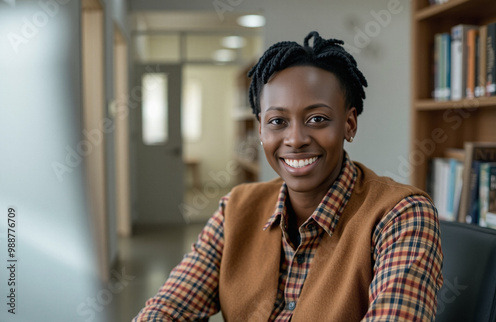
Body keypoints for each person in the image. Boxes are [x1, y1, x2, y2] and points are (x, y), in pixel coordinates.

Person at [133, 31, 443, 321]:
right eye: (278, 121)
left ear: (349, 124)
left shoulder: (402, 215)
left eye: (317, 119)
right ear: (260, 130)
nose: (295, 139)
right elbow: (167, 307)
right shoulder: (235, 209)